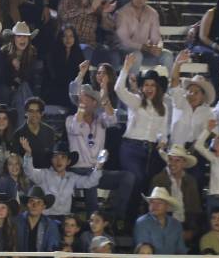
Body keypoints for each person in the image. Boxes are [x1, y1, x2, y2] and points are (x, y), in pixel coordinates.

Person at [66, 82, 134, 221]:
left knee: (128, 177)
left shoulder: (101, 120)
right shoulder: (70, 120)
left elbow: (112, 120)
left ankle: (114, 218)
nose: (82, 102)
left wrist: (104, 99)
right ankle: (93, 221)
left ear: (94, 103)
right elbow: (76, 129)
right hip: (78, 170)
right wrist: (81, 108)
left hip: (98, 170)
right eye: (80, 99)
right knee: (91, 180)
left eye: (86, 99)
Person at [115, 53, 170, 199]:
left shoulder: (163, 107)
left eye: (152, 85)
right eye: (146, 85)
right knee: (137, 178)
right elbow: (119, 90)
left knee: (147, 183)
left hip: (151, 152)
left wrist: (163, 141)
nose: (149, 88)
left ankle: (134, 210)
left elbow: (163, 131)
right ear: (142, 87)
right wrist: (125, 69)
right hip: (131, 148)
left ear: (157, 88)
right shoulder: (136, 101)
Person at [20, 140, 102, 217]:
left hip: (64, 219)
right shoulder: (43, 174)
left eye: (63, 157)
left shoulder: (72, 177)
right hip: (47, 218)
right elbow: (29, 171)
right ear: (51, 159)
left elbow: (89, 182)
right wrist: (28, 154)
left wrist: (98, 167)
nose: (59, 161)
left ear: (68, 161)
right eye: (55, 156)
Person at [115, 0, 173, 72]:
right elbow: (124, 42)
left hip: (144, 52)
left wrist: (157, 47)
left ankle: (168, 81)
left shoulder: (153, 13)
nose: (140, 0)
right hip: (123, 52)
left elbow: (156, 38)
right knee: (136, 55)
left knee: (167, 55)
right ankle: (132, 81)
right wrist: (144, 47)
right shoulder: (122, 13)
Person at [150, 145, 203, 242]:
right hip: (165, 226)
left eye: (177, 160)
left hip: (185, 226)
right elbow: (154, 208)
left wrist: (191, 231)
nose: (172, 163)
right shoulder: (159, 180)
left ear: (184, 163)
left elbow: (195, 208)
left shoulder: (191, 181)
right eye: (170, 159)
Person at [134, 187, 188, 258]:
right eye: (152, 202)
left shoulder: (176, 224)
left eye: (159, 203)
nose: (154, 206)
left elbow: (181, 250)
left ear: (167, 206)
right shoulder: (142, 223)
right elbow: (144, 252)